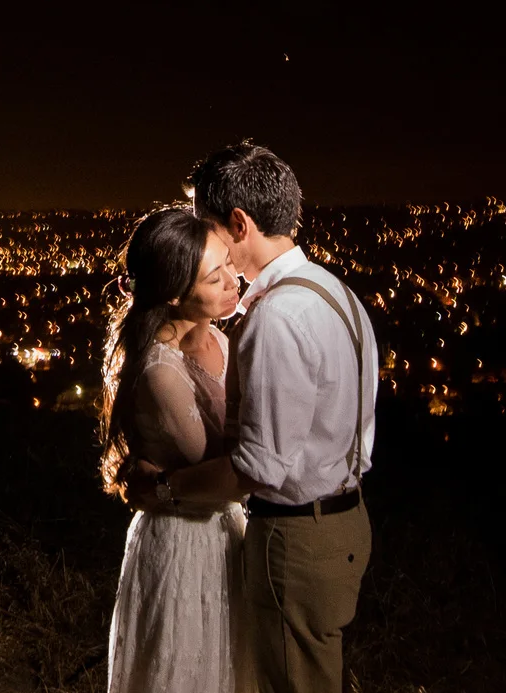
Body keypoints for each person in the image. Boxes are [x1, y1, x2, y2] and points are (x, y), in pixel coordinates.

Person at [126, 142, 378, 693]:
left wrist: (163, 490)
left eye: (209, 227)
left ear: (238, 224)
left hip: (298, 538)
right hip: (347, 520)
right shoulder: (337, 294)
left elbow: (257, 467)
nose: (206, 243)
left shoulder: (276, 318)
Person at [100, 203, 250, 693]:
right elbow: (230, 474)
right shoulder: (161, 372)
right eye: (215, 277)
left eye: (229, 261)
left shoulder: (222, 341)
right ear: (174, 293)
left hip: (223, 535)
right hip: (188, 546)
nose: (233, 280)